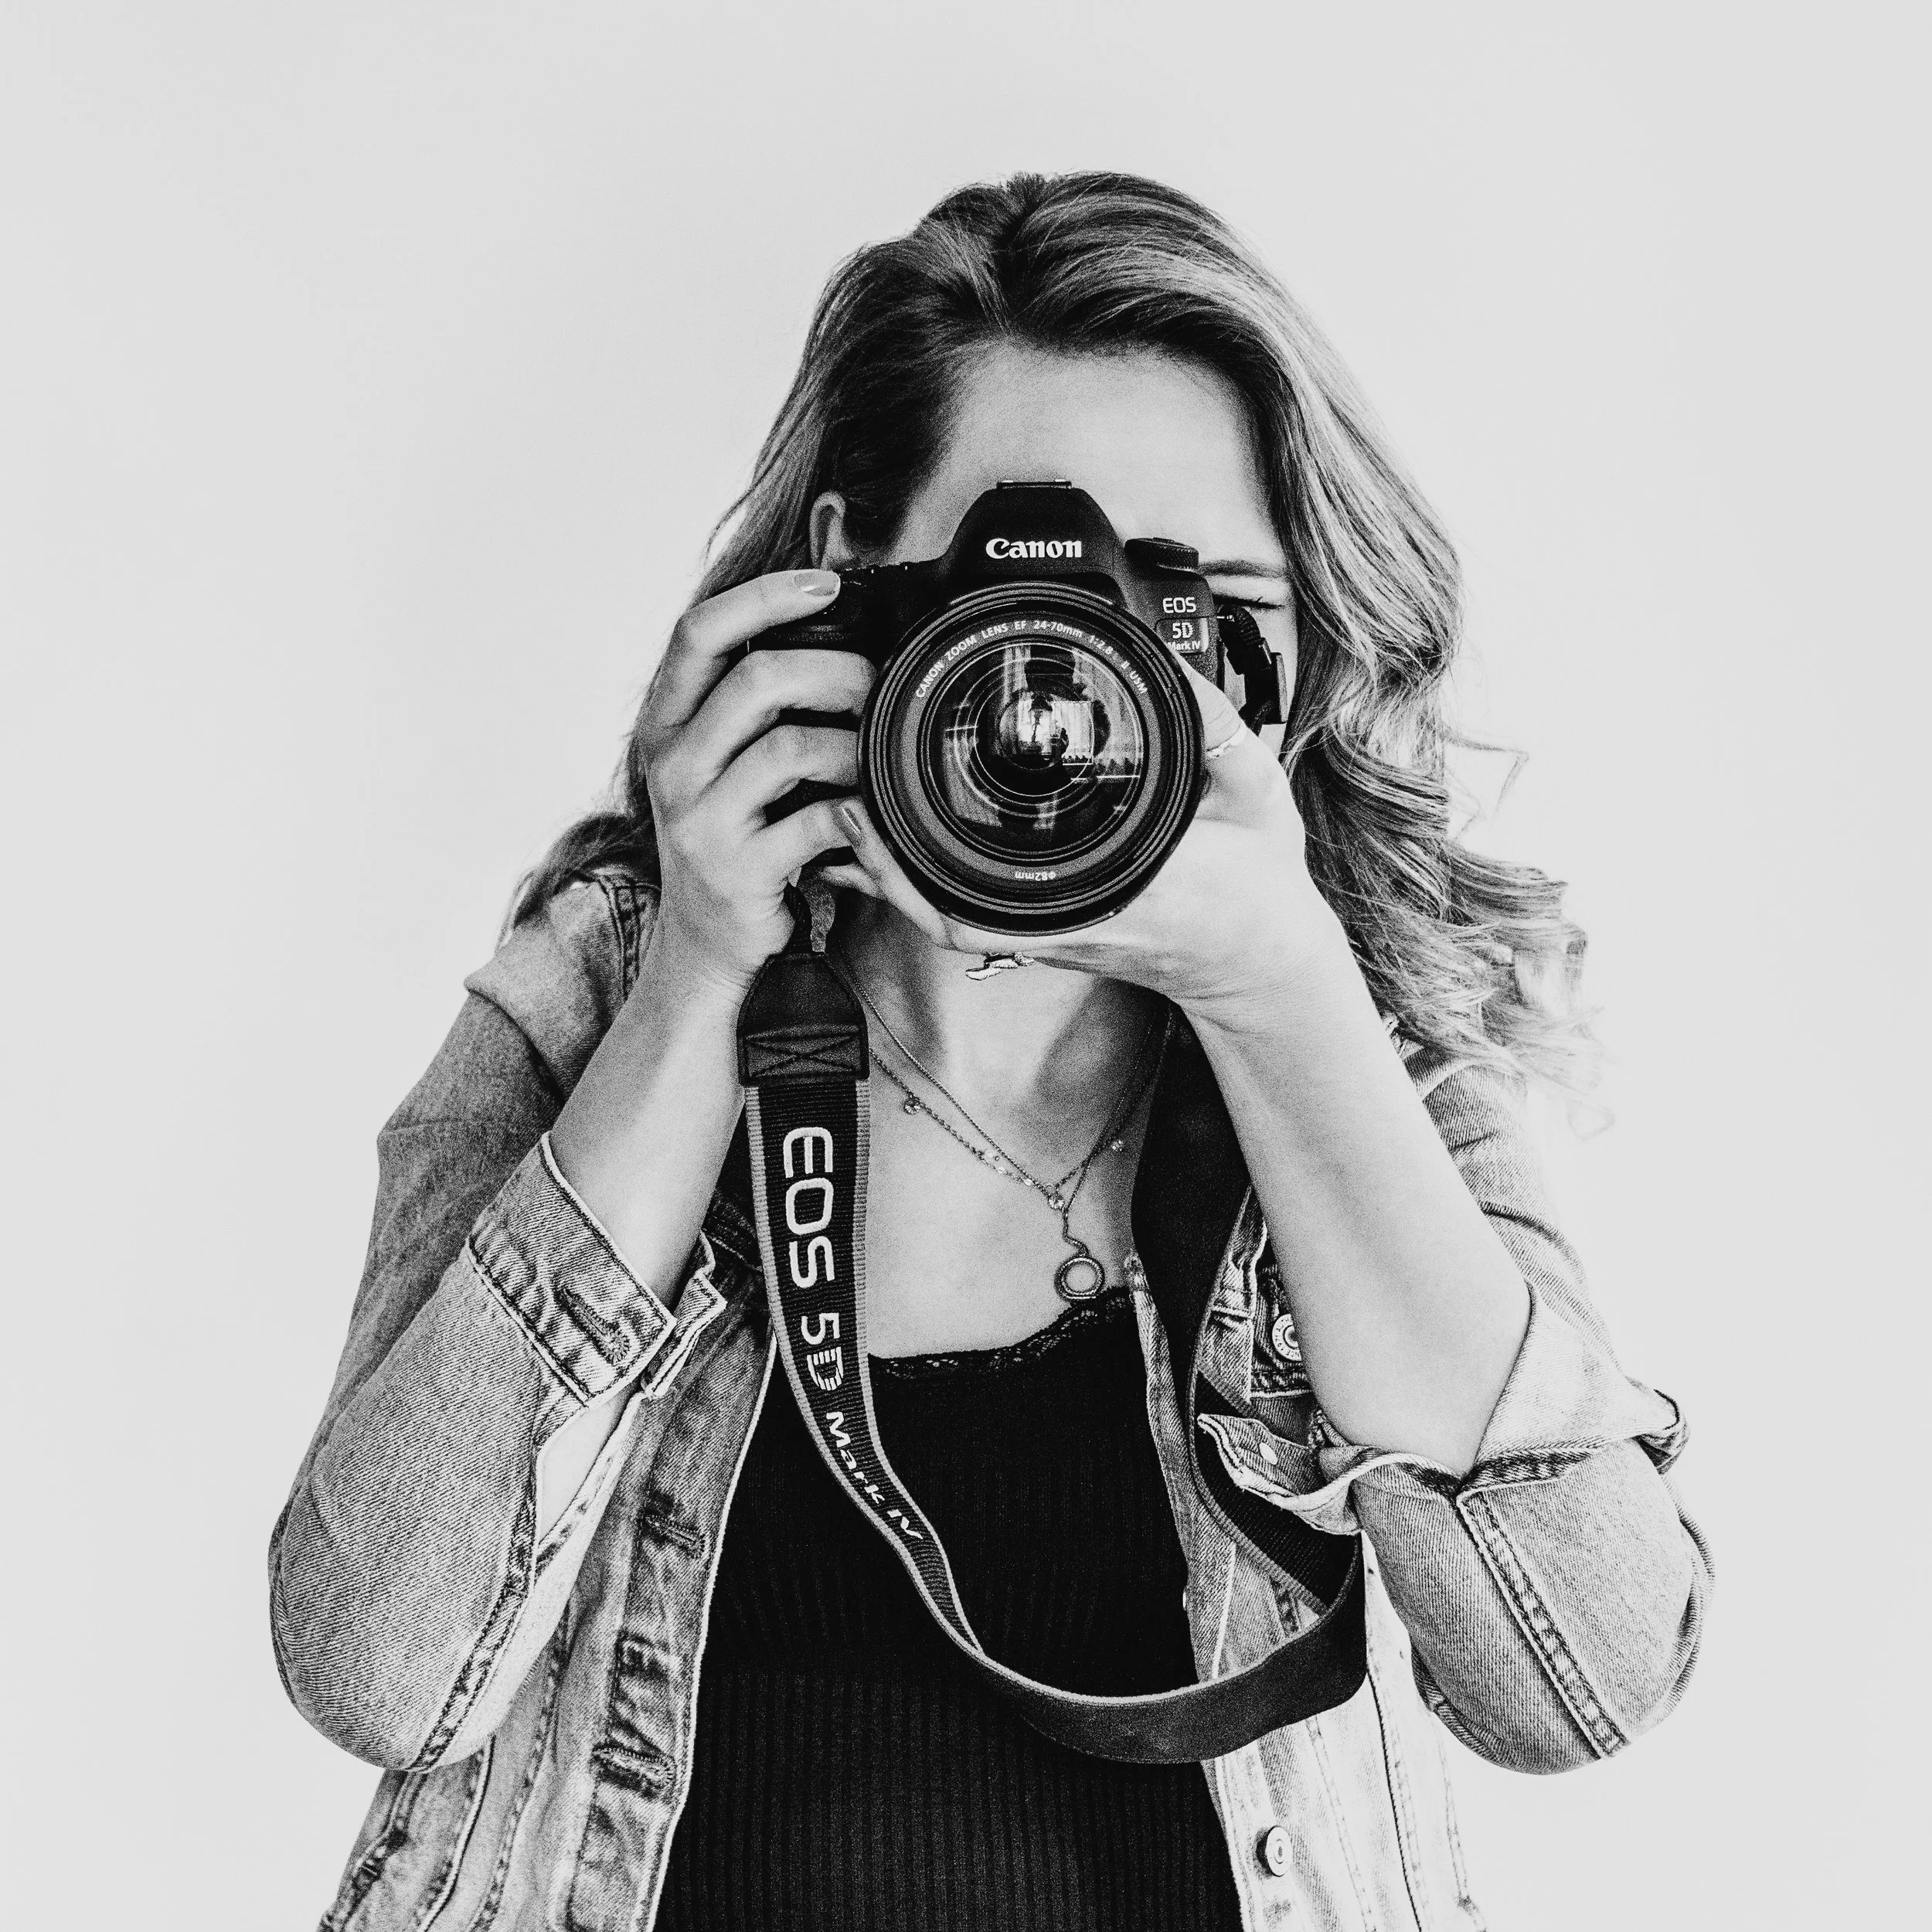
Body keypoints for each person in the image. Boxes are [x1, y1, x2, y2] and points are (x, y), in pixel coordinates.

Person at [270, 171, 1712, 1932]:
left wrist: (1278, 994)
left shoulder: (1366, 1059)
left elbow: (1584, 1684)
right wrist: (702, 982)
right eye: (1006, 595)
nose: (1068, 688)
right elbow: (374, 1668)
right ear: (837, 589)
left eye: (1169, 610)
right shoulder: (600, 1000)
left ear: (1287, 657)